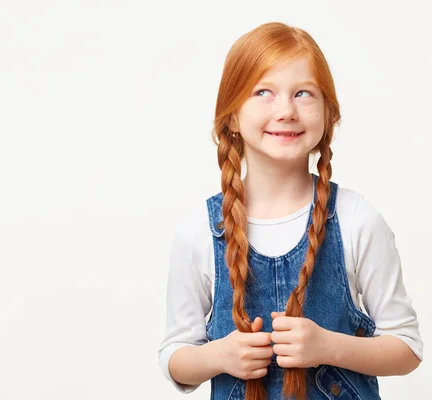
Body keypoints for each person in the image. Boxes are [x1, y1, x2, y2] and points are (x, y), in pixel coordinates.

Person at [157, 22, 423, 400]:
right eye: (262, 92)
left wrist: (328, 347)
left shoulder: (357, 220)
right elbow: (175, 356)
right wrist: (220, 355)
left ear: (329, 114)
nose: (285, 110)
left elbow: (407, 348)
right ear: (231, 116)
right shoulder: (199, 231)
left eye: (303, 93)